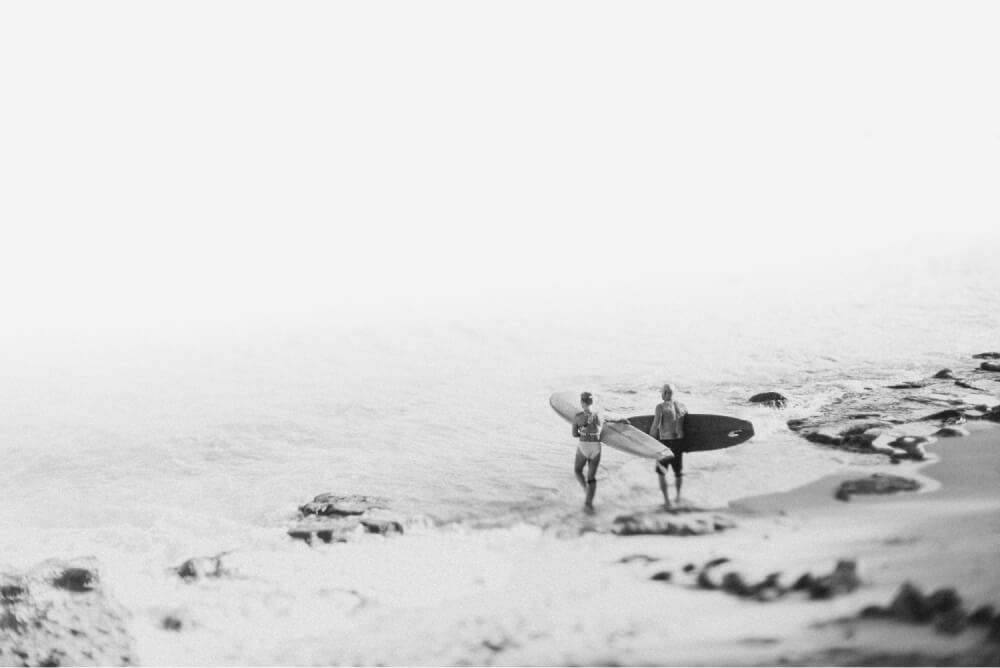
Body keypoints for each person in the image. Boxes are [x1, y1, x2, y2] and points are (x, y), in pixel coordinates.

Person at [571, 391, 627, 512]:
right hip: (596, 447)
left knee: (577, 470)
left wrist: (582, 430)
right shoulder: (601, 415)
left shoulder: (578, 416)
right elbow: (616, 418)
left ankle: (585, 490)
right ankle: (589, 503)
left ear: (582, 403)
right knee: (591, 477)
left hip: (584, 446)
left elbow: (575, 434)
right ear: (592, 402)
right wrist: (624, 420)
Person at [648, 383, 688, 508]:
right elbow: (689, 427)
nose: (661, 394)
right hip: (679, 444)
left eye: (662, 392)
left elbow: (655, 426)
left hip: (665, 443)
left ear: (665, 393)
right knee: (678, 473)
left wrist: (648, 441)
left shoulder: (660, 407)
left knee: (661, 473)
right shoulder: (682, 406)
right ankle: (678, 497)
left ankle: (666, 501)